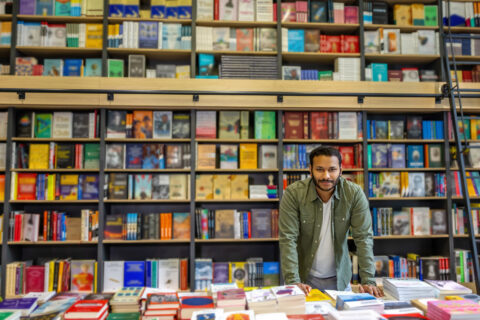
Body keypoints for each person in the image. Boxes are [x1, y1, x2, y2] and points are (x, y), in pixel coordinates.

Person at [279, 146, 383, 297]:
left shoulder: (353, 194)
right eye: (320, 169)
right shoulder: (293, 194)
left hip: (339, 279)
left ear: (340, 170)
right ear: (310, 170)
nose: (326, 176)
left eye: (332, 169)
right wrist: (293, 281)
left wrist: (368, 280)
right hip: (303, 279)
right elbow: (288, 238)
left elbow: (363, 238)